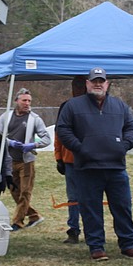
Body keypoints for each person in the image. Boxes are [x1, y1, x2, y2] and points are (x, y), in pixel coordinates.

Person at [54, 67, 133, 261]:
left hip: (116, 168)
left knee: (123, 207)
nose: (98, 84)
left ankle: (128, 244)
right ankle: (96, 246)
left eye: (101, 81)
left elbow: (131, 127)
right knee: (91, 209)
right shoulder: (73, 106)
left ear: (107, 84)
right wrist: (80, 148)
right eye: (94, 81)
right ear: (87, 84)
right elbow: (63, 129)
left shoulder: (119, 106)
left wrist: (125, 145)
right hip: (87, 168)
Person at [0, 88, 51, 231]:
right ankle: (34, 215)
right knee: (14, 191)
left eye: (29, 101)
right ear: (16, 101)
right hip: (9, 161)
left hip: (26, 161)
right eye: (24, 100)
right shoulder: (5, 117)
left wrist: (33, 145)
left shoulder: (35, 119)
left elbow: (47, 139)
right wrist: (10, 143)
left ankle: (17, 222)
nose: (27, 103)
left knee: (25, 192)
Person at [54, 77, 87, 243]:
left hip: (89, 161)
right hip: (69, 161)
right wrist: (58, 157)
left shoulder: (93, 105)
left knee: (89, 197)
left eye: (81, 86)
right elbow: (58, 134)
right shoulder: (65, 107)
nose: (78, 89)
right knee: (73, 198)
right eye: (76, 86)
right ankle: (73, 230)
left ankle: (91, 230)